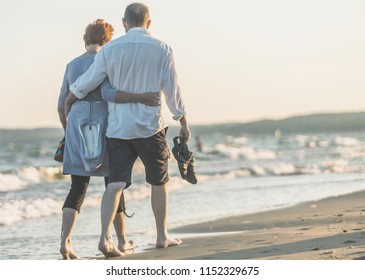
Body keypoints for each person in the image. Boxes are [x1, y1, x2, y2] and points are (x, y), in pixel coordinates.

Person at [67, 3, 191, 257]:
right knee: (159, 181)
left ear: (124, 22)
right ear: (149, 22)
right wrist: (182, 119)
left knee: (115, 184)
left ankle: (104, 238)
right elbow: (172, 89)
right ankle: (161, 236)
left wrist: (71, 97)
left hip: (118, 129)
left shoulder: (110, 49)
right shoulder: (162, 48)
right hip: (150, 127)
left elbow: (90, 80)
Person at [57, 19, 160, 259]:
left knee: (78, 186)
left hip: (77, 124)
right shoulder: (108, 60)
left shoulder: (71, 65)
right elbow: (109, 93)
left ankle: (66, 243)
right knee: (113, 183)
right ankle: (121, 241)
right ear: (108, 39)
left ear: (86, 39)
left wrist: (68, 132)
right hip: (105, 122)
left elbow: (62, 105)